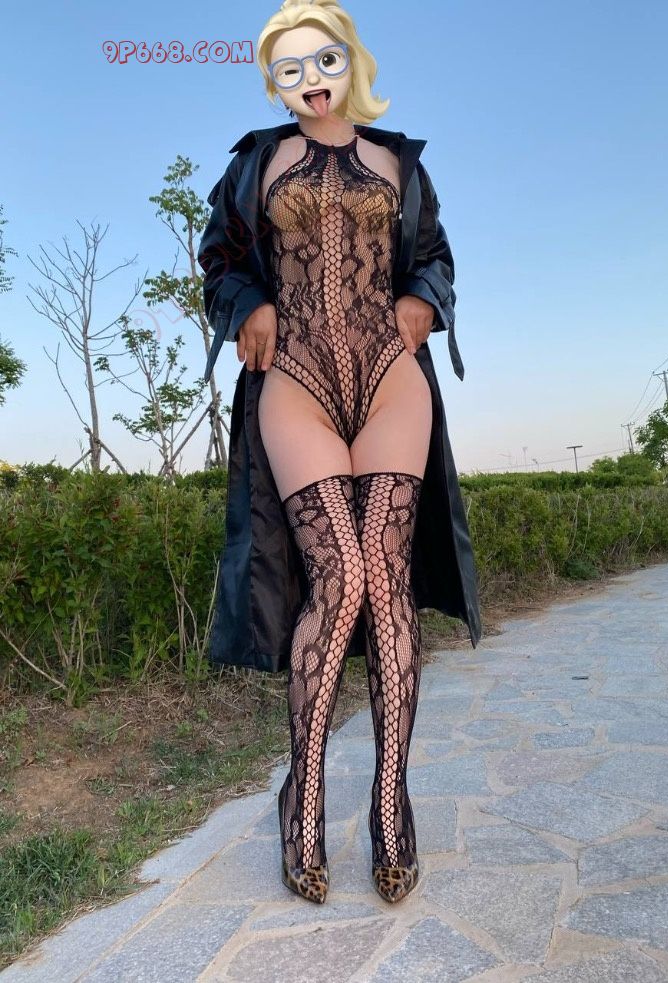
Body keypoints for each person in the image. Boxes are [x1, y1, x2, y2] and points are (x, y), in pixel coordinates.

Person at [198, 0, 482, 906]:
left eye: (322, 60)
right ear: (272, 82)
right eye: (288, 69)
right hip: (297, 375)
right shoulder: (256, 162)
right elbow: (220, 259)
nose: (310, 80)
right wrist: (247, 305)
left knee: (386, 580)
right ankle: (304, 793)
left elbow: (434, 255)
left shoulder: (400, 162)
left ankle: (391, 801)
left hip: (390, 374)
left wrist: (423, 299)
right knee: (343, 575)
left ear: (349, 60)